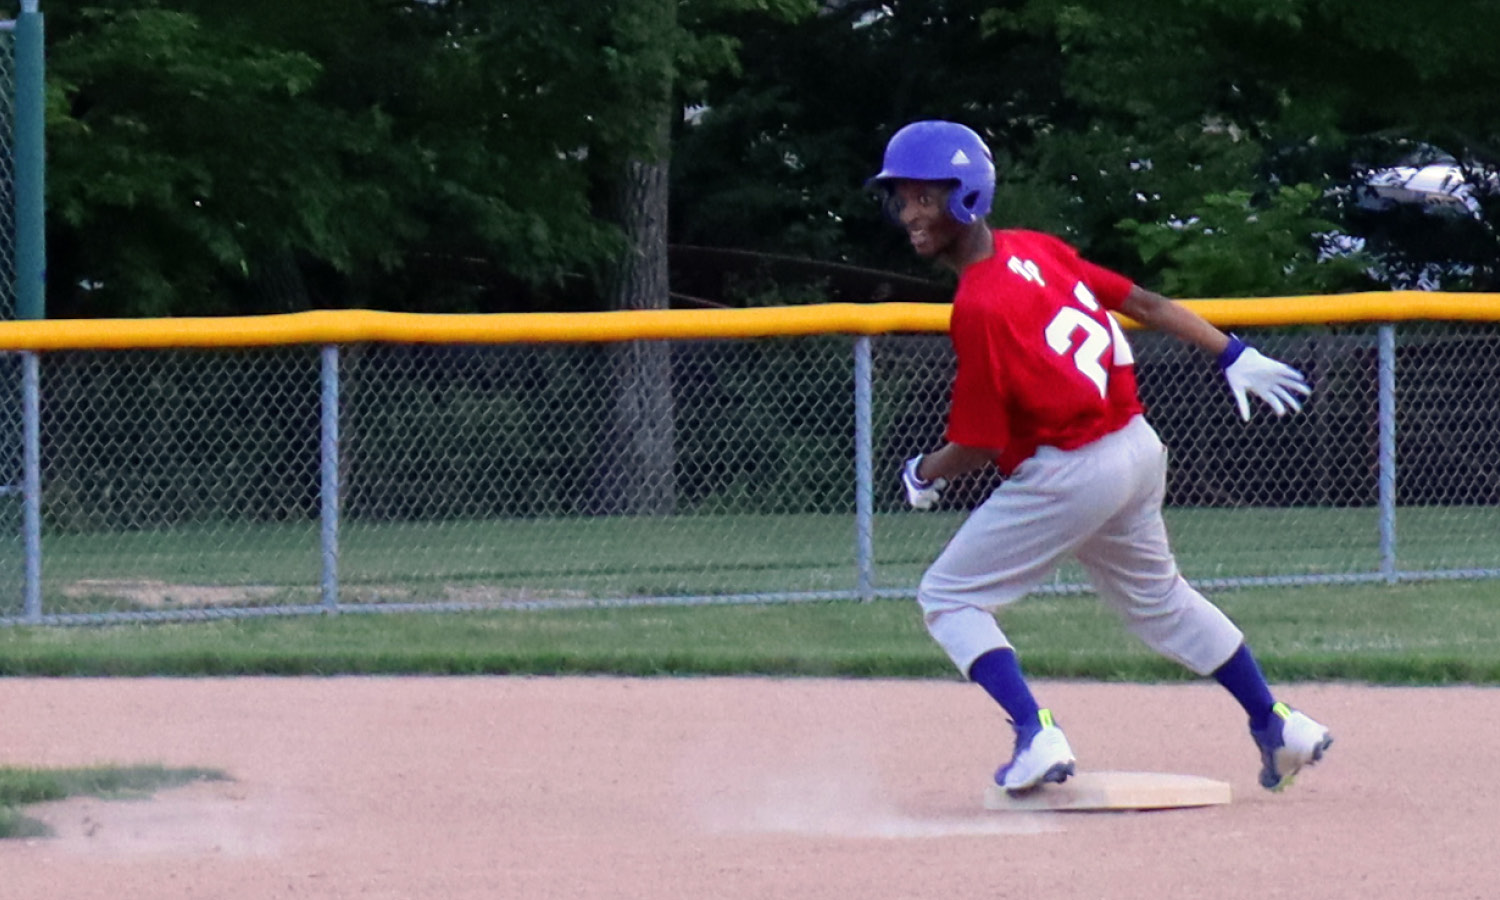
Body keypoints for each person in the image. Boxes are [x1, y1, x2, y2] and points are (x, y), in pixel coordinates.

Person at [867, 120, 1333, 795]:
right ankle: (1276, 723)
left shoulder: (978, 304)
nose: (910, 214)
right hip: (1137, 451)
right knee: (1162, 601)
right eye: (902, 199)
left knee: (948, 596)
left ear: (966, 196)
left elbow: (980, 443)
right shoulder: (1038, 249)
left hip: (1071, 469)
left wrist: (923, 472)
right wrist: (1230, 351)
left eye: (925, 198)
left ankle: (1035, 732)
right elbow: (1140, 301)